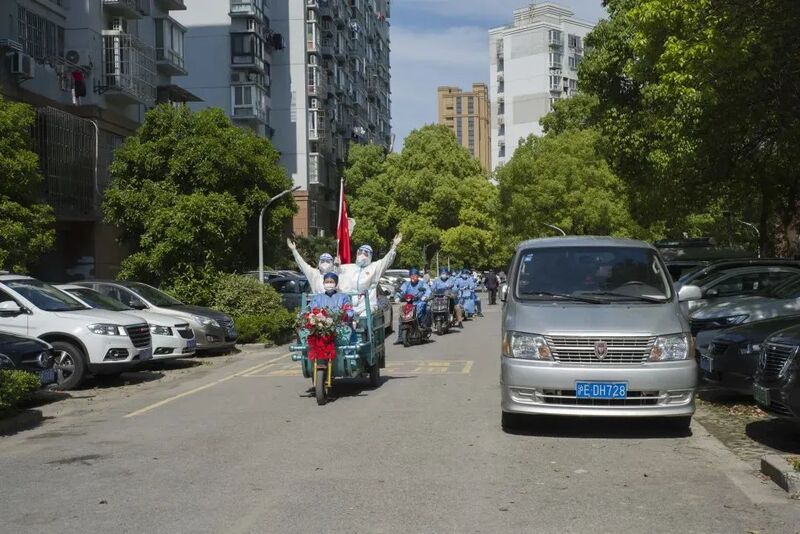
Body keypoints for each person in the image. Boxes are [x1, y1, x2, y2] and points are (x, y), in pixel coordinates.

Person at [338, 234, 403, 315]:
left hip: (367, 305)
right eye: (360, 252)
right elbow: (332, 275)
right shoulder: (348, 267)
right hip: (348, 305)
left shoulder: (374, 267)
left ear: (370, 255)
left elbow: (387, 261)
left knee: (364, 318)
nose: (362, 254)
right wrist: (335, 264)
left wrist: (394, 247)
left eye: (366, 252)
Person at [394, 267, 431, 344]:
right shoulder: (406, 284)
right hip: (410, 303)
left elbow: (428, 290)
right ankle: (400, 337)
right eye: (412, 276)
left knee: (425, 308)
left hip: (420, 302)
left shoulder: (422, 283)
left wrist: (425, 296)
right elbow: (402, 291)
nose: (413, 277)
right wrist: (397, 297)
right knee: (402, 316)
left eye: (415, 276)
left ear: (418, 276)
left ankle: (423, 325)